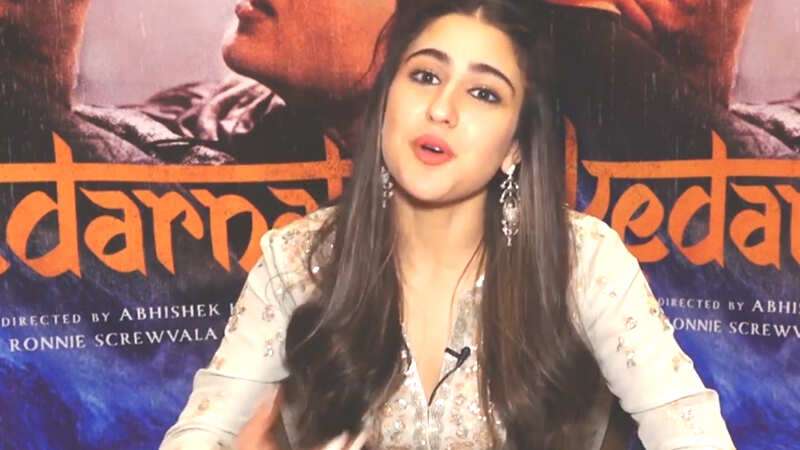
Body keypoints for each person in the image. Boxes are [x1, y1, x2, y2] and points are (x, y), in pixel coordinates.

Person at [160, 1, 736, 449]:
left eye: (484, 93)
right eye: (424, 76)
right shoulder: (295, 261)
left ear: (515, 145)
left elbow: (691, 432)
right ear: (387, 102)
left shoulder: (583, 262)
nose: (442, 109)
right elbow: (200, 433)